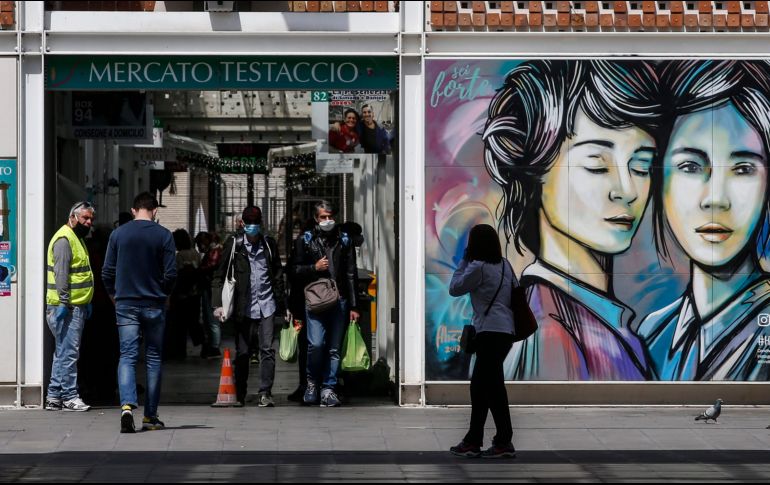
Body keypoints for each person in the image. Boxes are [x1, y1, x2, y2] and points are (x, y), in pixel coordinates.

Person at [483, 60, 663, 381]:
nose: (627, 190)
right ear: (533, 172)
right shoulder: (548, 331)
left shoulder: (597, 317)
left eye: (641, 165)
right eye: (596, 165)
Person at [638, 60, 770, 381]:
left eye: (743, 169)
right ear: (659, 178)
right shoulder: (652, 333)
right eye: (691, 166)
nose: (715, 198)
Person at [102, 192, 177, 433]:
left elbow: (106, 272)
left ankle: (126, 407)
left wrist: (114, 296)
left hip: (125, 304)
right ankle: (150, 416)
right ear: (154, 211)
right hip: (154, 304)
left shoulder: (117, 234)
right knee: (153, 358)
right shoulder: (164, 235)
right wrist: (164, 293)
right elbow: (171, 274)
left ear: (134, 210)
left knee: (127, 356)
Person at [448, 224, 516, 458]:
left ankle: (479, 440)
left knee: (482, 387)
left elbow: (454, 288)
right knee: (490, 388)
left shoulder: (477, 267)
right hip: (506, 332)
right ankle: (496, 440)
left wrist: (464, 261)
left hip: (488, 332)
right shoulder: (505, 266)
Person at [212, 206, 286, 407]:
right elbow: (219, 275)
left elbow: (278, 274)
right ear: (242, 223)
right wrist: (217, 304)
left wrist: (283, 304)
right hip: (243, 307)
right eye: (249, 222)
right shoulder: (234, 244)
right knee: (243, 352)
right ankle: (241, 392)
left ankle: (265, 392)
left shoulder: (268, 245)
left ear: (260, 224)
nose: (252, 227)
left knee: (267, 349)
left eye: (256, 222)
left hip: (267, 305)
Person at [290, 201, 359, 407]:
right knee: (316, 344)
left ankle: (329, 388)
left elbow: (350, 273)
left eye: (330, 216)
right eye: (323, 217)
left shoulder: (344, 241)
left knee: (334, 348)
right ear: (315, 219)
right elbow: (294, 270)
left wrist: (354, 306)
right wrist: (314, 267)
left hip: (339, 301)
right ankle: (312, 382)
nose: (327, 221)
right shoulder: (305, 240)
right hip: (315, 300)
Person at [44, 201, 96, 412]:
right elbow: (61, 275)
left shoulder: (76, 238)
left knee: (62, 352)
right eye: (85, 218)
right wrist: (65, 302)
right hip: (66, 307)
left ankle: (53, 396)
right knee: (69, 354)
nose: (89, 222)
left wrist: (87, 300)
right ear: (73, 217)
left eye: (91, 218)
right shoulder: (65, 240)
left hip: (75, 305)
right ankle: (69, 396)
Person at [165, 229, 203, 360]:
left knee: (179, 325)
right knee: (193, 321)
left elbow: (176, 276)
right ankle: (205, 344)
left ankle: (180, 351)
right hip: (195, 293)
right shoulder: (196, 253)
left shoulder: (180, 256)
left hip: (182, 295)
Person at [195, 231, 222, 359]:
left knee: (212, 318)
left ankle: (215, 346)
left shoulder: (215, 251)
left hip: (211, 288)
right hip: (209, 287)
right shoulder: (212, 251)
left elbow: (210, 266)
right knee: (209, 318)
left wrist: (198, 269)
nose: (199, 247)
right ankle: (213, 344)